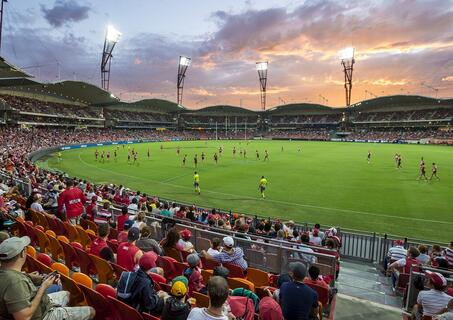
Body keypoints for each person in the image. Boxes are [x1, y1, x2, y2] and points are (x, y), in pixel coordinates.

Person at [0, 236, 95, 320]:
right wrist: (43, 287)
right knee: (91, 311)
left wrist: (31, 277)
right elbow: (24, 317)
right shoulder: (15, 282)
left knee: (67, 294)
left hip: (40, 304)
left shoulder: (6, 273)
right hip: (42, 315)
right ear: (22, 254)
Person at [117, 251, 165, 315]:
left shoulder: (132, 274)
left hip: (127, 305)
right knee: (165, 299)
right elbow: (150, 305)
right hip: (138, 311)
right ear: (151, 267)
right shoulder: (146, 282)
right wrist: (158, 296)